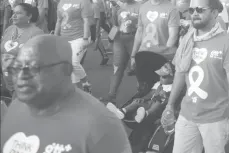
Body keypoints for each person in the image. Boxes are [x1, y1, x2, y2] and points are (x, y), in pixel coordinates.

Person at [1, 35, 132, 153]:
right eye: (17, 67)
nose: (22, 76)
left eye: (34, 68)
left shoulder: (100, 125)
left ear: (65, 70)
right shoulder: (16, 107)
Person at [164, 0, 229, 153]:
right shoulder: (187, 39)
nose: (194, 14)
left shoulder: (228, 43)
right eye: (191, 10)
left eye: (200, 10)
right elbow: (180, 72)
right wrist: (170, 105)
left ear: (214, 12)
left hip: (216, 118)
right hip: (187, 115)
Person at [131, 0, 180, 93]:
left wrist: (166, 56)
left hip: (162, 57)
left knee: (161, 91)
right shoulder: (143, 7)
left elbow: (173, 36)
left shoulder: (171, 9)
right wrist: (133, 55)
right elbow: (139, 31)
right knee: (143, 89)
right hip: (144, 55)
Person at [54, 0, 93, 92]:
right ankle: (77, 92)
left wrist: (86, 38)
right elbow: (59, 21)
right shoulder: (62, 1)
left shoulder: (83, 0)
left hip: (79, 36)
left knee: (74, 62)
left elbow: (87, 20)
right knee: (69, 64)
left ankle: (86, 82)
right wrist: (55, 37)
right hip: (65, 37)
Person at [1, 3, 44, 94]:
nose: (14, 16)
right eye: (13, 13)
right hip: (8, 80)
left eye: (18, 13)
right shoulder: (9, 29)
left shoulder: (36, 33)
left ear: (29, 16)